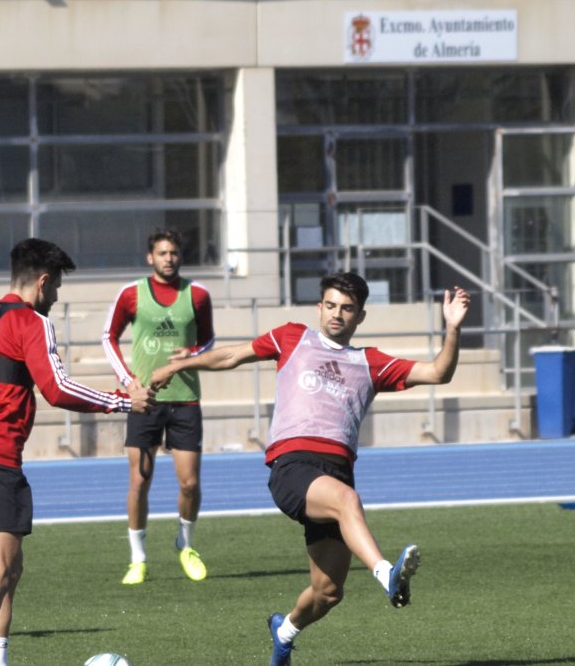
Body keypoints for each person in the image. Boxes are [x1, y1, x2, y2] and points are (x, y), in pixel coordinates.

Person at [150, 272, 470, 666]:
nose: (337, 314)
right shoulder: (292, 337)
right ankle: (386, 573)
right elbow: (232, 354)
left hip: (335, 474)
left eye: (347, 309)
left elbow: (439, 372)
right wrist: (178, 366)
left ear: (360, 317)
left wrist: (452, 328)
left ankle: (283, 633)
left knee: (328, 593)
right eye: (331, 305)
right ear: (320, 307)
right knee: (347, 500)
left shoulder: (369, 362)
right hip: (292, 467)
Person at [0, 238, 152, 666]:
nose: (57, 297)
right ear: (43, 282)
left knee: (10, 569)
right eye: (58, 288)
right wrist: (123, 401)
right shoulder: (31, 322)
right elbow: (57, 389)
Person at [101, 228, 215, 585]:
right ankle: (138, 558)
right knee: (139, 481)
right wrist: (128, 381)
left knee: (190, 484)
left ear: (181, 257)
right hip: (144, 402)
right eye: (162, 253)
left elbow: (208, 339)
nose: (169, 258)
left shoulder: (197, 294)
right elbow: (108, 336)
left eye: (175, 253)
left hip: (185, 399)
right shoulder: (131, 294)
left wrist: (192, 353)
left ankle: (186, 543)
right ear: (150, 257)